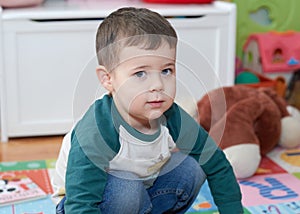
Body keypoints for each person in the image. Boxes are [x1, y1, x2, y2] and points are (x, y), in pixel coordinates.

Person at [52, 7, 243, 214]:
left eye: (166, 70)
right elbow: (80, 204)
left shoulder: (171, 115)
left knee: (193, 168)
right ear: (108, 79)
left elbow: (216, 162)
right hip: (82, 203)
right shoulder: (97, 130)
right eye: (140, 73)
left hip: (144, 192)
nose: (158, 85)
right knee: (127, 189)